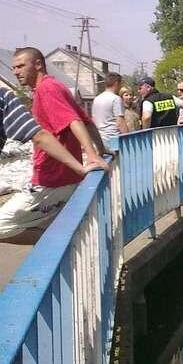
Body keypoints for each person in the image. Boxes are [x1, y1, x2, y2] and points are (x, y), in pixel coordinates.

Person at [3, 47, 108, 242]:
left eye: (20, 66)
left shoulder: (47, 89)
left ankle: (64, 242)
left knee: (2, 226)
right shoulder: (56, 86)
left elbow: (73, 121)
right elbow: (85, 120)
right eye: (14, 68)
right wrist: (101, 149)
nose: (16, 72)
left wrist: (93, 156)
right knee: (54, 223)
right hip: (59, 178)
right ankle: (65, 241)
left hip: (52, 181)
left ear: (38, 64)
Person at [92, 72, 128, 145]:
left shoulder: (96, 99)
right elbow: (120, 122)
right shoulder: (116, 99)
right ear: (116, 83)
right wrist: (128, 138)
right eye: (121, 83)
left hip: (100, 139)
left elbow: (94, 120)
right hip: (113, 139)